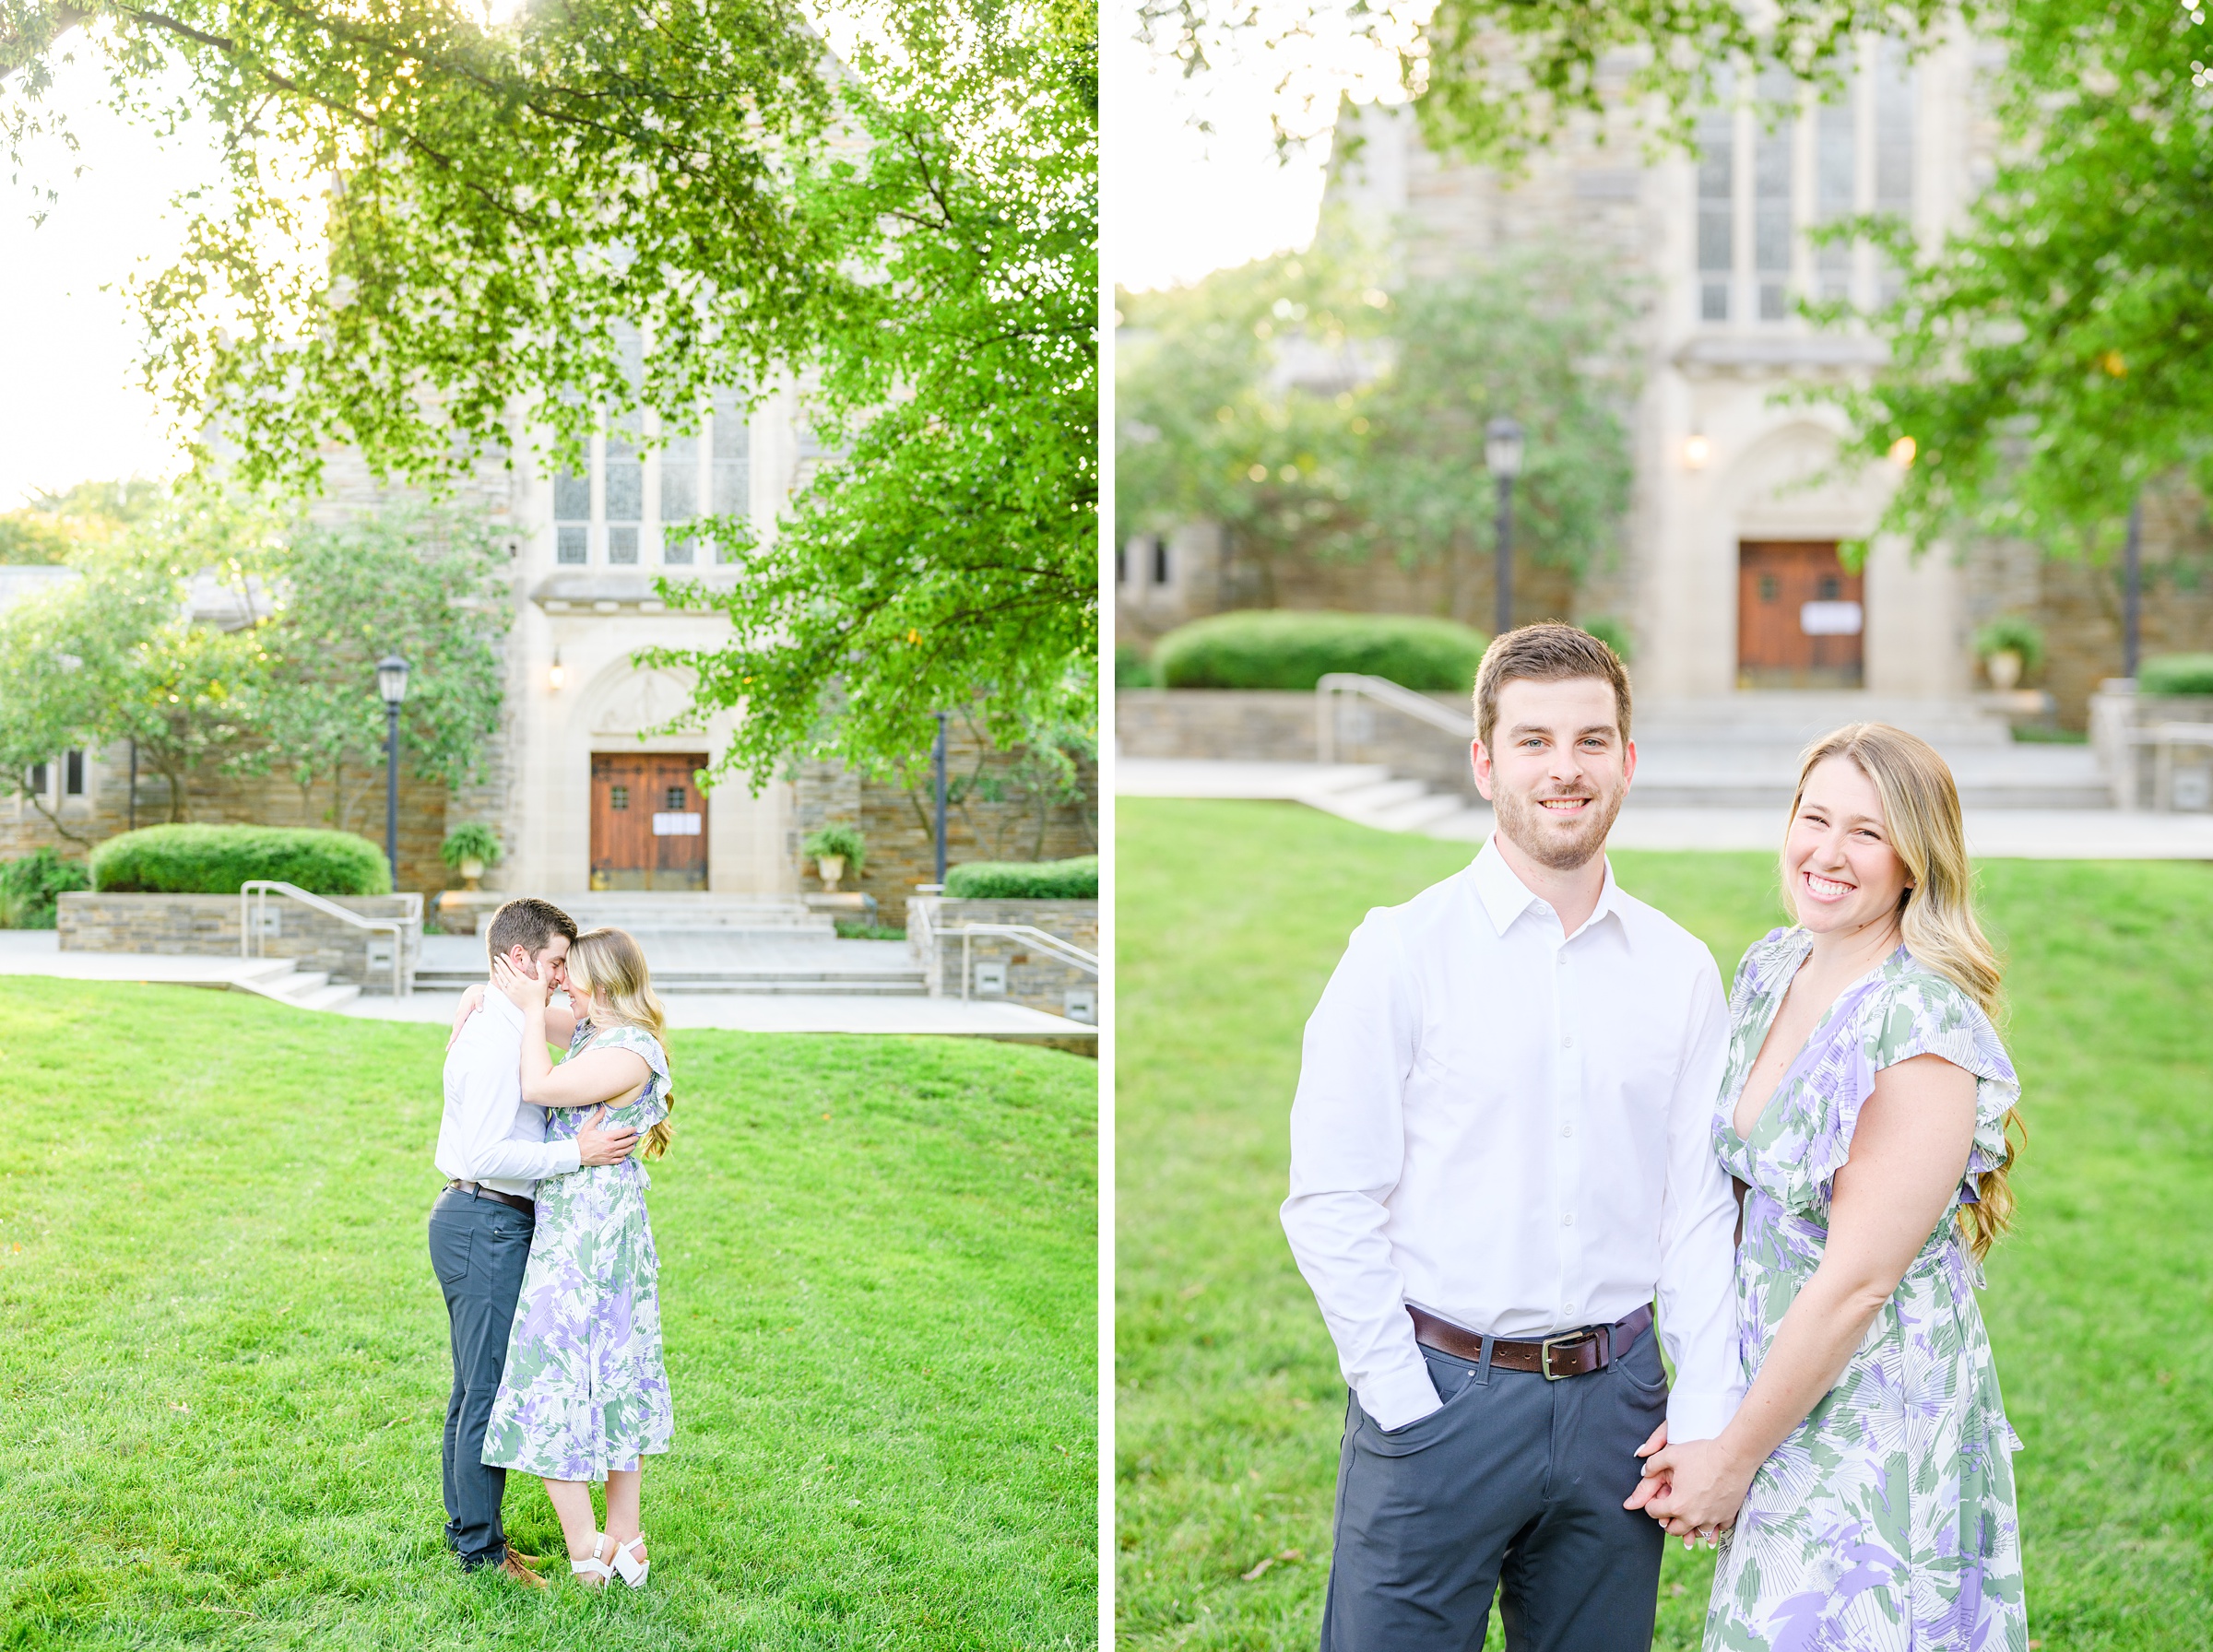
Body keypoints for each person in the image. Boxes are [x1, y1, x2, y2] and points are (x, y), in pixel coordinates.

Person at [1282, 622, 1742, 1651]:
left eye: (1590, 740)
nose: (1564, 769)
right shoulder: (1398, 952)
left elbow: (1698, 1211)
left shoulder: (1679, 969)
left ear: (1627, 759)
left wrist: (1705, 1410)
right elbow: (1331, 1199)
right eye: (1533, 741)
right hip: (1441, 1391)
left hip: (1619, 1409)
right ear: (1485, 760)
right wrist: (1403, 1398)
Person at [1627, 723, 2028, 1649]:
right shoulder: (1773, 968)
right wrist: (1710, 1403)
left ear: (1913, 862)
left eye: (1867, 832)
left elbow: (1858, 1281)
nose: (1828, 853)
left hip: (1875, 1406)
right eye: (1816, 819)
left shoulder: (1919, 1022)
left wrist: (1732, 1457)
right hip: (1777, 1385)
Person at [430, 898, 640, 1587]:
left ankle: (476, 1537)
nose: (560, 977)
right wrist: (575, 1154)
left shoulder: (502, 1017)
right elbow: (490, 1152)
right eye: (553, 963)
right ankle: (480, 1553)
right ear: (519, 959)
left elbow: (570, 1021)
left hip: (486, 1220)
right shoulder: (496, 1039)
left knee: (476, 1387)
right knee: (485, 1391)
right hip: (485, 1216)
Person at [479, 925, 677, 1590]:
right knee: (603, 1370)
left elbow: (537, 1085)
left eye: (572, 972)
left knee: (562, 1370)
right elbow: (512, 1004)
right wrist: (479, 998)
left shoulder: (629, 1052)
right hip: (577, 1223)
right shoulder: (596, 1033)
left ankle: (597, 1544)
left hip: (592, 1238)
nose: (560, 979)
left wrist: (536, 1010)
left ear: (604, 980)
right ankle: (625, 1540)